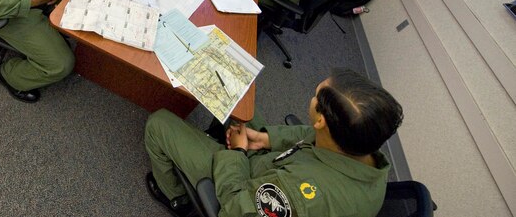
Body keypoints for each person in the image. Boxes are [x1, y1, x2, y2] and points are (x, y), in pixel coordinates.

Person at [144, 69, 404, 217]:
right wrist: (265, 139)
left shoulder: (297, 198)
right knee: (231, 89)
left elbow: (235, 209)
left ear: (322, 120)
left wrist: (237, 152)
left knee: (159, 123)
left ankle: (176, 197)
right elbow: (311, 135)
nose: (311, 98)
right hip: (274, 165)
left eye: (315, 96)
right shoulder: (362, 146)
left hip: (244, 184)